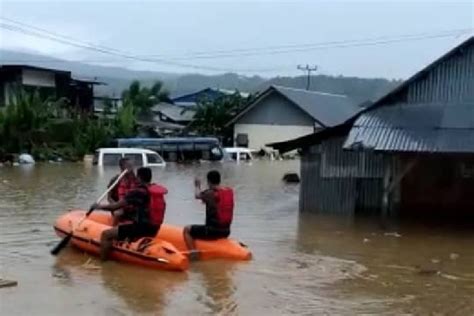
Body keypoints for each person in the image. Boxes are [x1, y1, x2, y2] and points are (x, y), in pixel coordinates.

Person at [91, 167, 168, 261]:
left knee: (106, 234)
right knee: (126, 228)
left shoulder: (137, 192)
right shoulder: (153, 191)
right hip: (154, 228)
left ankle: (103, 263)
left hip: (140, 229)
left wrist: (98, 207)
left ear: (139, 177)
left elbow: (115, 207)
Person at [183, 170, 234, 260]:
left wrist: (197, 185)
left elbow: (197, 195)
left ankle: (193, 254)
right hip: (226, 231)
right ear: (219, 180)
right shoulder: (226, 192)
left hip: (212, 231)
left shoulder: (209, 193)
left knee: (186, 230)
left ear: (209, 181)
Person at [107, 158, 138, 226]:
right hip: (118, 206)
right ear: (122, 167)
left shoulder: (136, 179)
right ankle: (113, 229)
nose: (131, 167)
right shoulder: (115, 180)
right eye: (128, 165)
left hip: (130, 206)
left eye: (131, 165)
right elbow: (109, 197)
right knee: (119, 213)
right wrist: (116, 205)